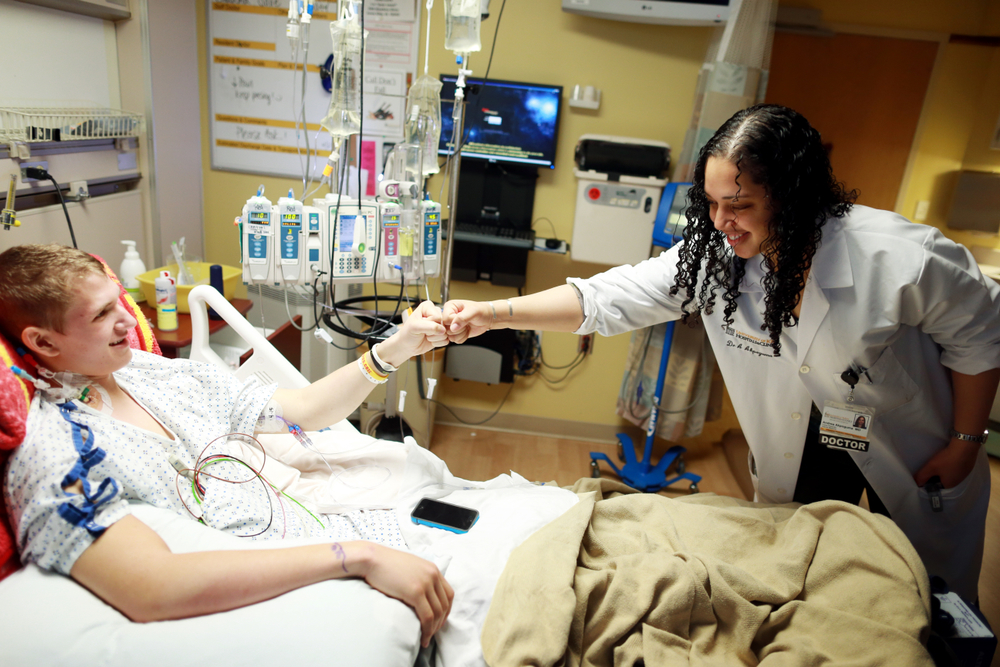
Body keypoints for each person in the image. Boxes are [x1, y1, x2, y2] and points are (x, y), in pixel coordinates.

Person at [442, 104, 1000, 601]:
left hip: (912, 442)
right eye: (710, 203)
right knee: (800, 568)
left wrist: (964, 444)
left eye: (738, 204)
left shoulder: (901, 257)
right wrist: (490, 314)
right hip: (801, 435)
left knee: (925, 591)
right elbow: (611, 295)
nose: (719, 222)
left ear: (792, 196)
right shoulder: (718, 256)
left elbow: (980, 335)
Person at [0, 244, 453, 646]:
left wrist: (394, 348)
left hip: (319, 536)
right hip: (287, 587)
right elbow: (152, 586)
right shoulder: (59, 454)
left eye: (119, 301)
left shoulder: (148, 373)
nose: (126, 319)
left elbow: (304, 411)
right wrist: (356, 556)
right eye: (101, 314)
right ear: (42, 341)